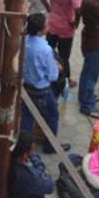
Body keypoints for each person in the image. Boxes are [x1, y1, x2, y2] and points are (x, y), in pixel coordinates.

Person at [21, 12, 65, 151]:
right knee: (53, 115)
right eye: (46, 25)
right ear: (40, 30)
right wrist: (57, 68)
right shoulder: (45, 50)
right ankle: (50, 146)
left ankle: (25, 147)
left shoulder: (22, 41)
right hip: (42, 90)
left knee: (27, 117)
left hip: (27, 87)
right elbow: (52, 76)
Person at [37, 0, 81, 88]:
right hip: (66, 29)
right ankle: (65, 79)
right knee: (64, 56)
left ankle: (48, 72)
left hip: (52, 24)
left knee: (49, 50)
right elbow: (78, 10)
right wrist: (76, 23)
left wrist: (48, 7)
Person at [8, 130, 55, 198]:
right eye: (32, 150)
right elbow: (50, 186)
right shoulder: (32, 177)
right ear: (24, 155)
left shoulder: (9, 158)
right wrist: (41, 169)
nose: (33, 152)